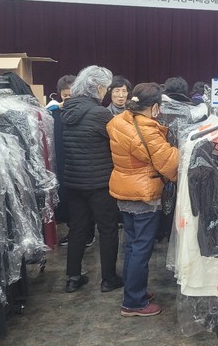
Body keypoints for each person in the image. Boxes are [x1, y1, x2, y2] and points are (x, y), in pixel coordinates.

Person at [107, 83, 179, 317]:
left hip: (124, 190)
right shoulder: (146, 130)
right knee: (141, 248)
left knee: (132, 245)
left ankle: (134, 290)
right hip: (143, 195)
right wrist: (182, 148)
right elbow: (169, 163)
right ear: (155, 107)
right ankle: (133, 302)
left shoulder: (120, 121)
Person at [61, 65, 122, 293]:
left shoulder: (67, 110)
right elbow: (116, 142)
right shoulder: (99, 113)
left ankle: (73, 278)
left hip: (73, 181)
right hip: (99, 182)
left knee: (78, 228)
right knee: (107, 229)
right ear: (97, 88)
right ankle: (108, 278)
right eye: (106, 88)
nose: (106, 92)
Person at [48, 74, 94, 248]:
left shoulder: (87, 111)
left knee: (84, 203)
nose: (68, 98)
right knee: (68, 200)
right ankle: (75, 232)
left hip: (83, 163)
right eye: (65, 95)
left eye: (71, 95)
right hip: (63, 162)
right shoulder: (54, 113)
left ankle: (88, 234)